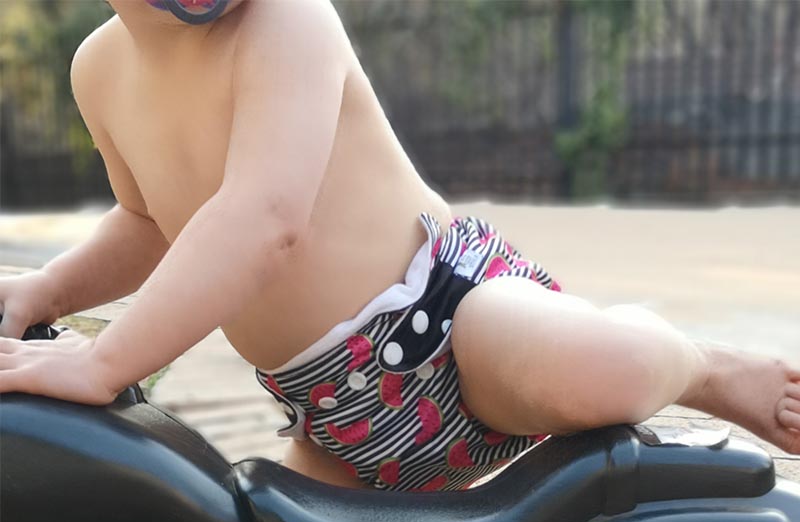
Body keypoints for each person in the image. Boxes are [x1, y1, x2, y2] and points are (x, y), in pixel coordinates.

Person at [0, 0, 797, 491]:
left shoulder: (285, 19)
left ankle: (708, 368)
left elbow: (263, 217)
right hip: (338, 420)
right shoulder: (97, 68)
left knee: (599, 371)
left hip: (455, 322)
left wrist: (105, 362)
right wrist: (48, 292)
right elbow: (147, 222)